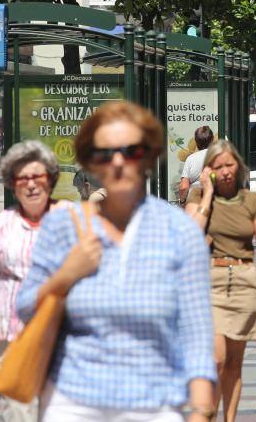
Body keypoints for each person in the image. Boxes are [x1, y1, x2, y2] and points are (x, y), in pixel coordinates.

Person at [16, 101, 216, 421]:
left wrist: (202, 410)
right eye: (105, 153)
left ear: (149, 157)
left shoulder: (179, 231)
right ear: (89, 162)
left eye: (132, 151)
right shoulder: (63, 227)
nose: (119, 162)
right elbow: (25, 308)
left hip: (155, 402)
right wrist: (66, 275)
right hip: (74, 401)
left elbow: (196, 332)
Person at [0, 141, 69, 420]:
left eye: (37, 176)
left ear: (50, 179)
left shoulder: (67, 217)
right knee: (18, 410)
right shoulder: (2, 223)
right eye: (22, 178)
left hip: (58, 329)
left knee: (58, 408)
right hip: (9, 330)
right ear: (12, 184)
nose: (31, 185)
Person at [186, 139, 256, 422]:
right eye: (218, 166)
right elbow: (191, 234)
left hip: (243, 280)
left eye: (230, 165)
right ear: (209, 170)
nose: (226, 171)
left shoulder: (251, 201)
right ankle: (208, 415)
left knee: (234, 363)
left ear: (238, 166)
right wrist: (207, 195)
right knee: (216, 360)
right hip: (210, 281)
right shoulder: (197, 197)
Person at [179, 125, 214, 203]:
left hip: (195, 201)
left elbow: (184, 186)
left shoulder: (191, 159)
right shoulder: (218, 155)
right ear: (212, 139)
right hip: (215, 200)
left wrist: (182, 201)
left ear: (196, 141)